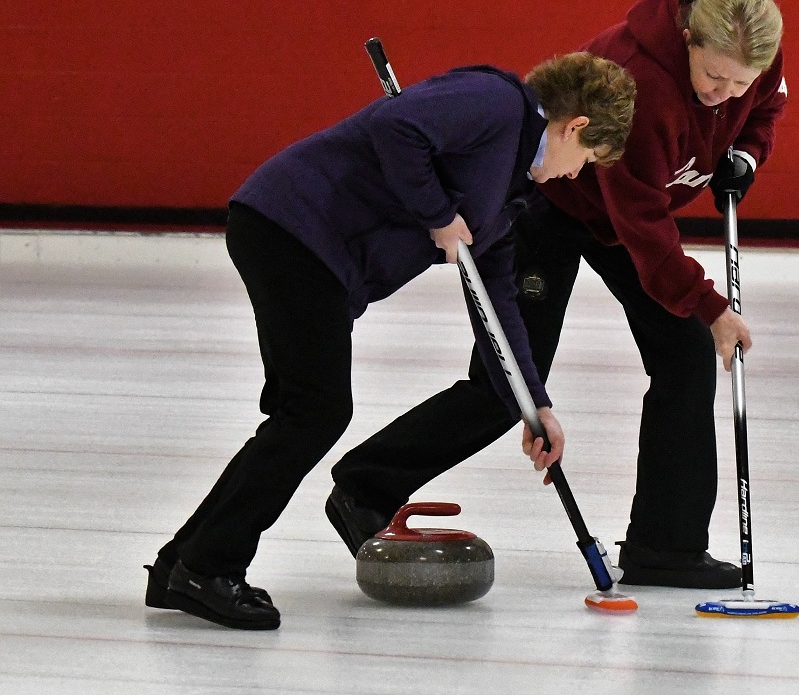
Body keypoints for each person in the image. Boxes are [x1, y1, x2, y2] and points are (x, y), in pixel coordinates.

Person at [325, 0, 786, 590]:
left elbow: (764, 108)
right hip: (552, 201)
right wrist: (711, 307)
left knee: (683, 354)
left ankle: (666, 546)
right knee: (509, 380)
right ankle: (364, 486)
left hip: (623, 212)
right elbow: (644, 228)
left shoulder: (755, 52)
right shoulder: (641, 83)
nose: (723, 94)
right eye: (713, 77)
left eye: (739, 83)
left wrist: (747, 153)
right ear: (687, 38)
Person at [143, 52, 636, 630]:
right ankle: (208, 566)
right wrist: (438, 212)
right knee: (314, 411)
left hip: (316, 253)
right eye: (588, 159)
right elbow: (395, 125)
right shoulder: (498, 103)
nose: (577, 175)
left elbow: (498, 310)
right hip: (294, 226)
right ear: (576, 127)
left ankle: (182, 564)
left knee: (306, 411)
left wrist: (535, 405)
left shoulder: (508, 194)